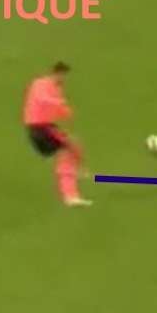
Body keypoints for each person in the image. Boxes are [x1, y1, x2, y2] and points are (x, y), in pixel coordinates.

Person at [23, 61, 91, 206]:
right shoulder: (40, 83)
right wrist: (59, 103)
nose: (64, 79)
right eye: (63, 75)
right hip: (39, 126)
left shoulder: (56, 89)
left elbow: (58, 109)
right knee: (68, 149)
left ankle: (77, 175)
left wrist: (66, 112)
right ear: (56, 73)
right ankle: (71, 192)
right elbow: (42, 99)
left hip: (46, 126)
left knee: (72, 146)